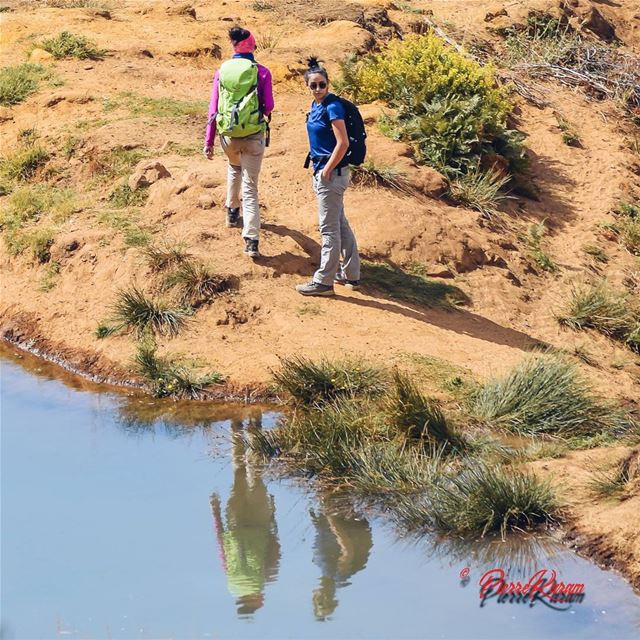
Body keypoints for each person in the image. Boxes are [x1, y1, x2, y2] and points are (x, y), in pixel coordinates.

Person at [203, 27, 274, 259]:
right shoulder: (261, 72)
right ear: (252, 47)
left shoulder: (222, 71)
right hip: (253, 136)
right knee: (250, 188)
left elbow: (213, 109)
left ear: (234, 47)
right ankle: (251, 239)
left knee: (234, 167)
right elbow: (269, 106)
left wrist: (209, 141)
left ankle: (232, 212)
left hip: (228, 136)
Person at [296, 57, 361, 297]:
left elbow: (342, 142)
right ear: (307, 86)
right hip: (328, 172)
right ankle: (351, 273)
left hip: (331, 175)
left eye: (322, 84)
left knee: (329, 229)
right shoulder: (316, 106)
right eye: (313, 85)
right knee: (340, 223)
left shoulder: (332, 107)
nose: (318, 89)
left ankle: (324, 281)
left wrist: (326, 170)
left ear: (328, 83)